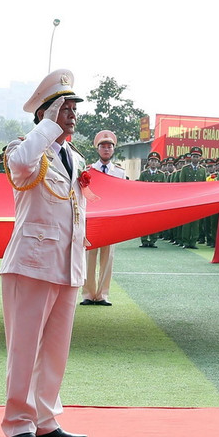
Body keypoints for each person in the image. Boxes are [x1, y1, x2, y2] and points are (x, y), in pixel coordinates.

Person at [0, 69, 88, 437]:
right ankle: (18, 422)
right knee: (25, 348)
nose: (72, 114)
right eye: (63, 107)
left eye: (73, 107)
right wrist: (48, 127)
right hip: (31, 262)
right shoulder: (26, 147)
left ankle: (45, 419)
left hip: (67, 262)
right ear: (45, 113)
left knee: (55, 348)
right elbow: (20, 164)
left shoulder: (74, 157)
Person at [81, 130, 124, 306]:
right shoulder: (89, 170)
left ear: (113, 150)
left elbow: (122, 195)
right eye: (103, 147)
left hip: (111, 218)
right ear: (98, 150)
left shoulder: (119, 172)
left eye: (109, 147)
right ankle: (88, 294)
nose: (106, 149)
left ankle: (103, 294)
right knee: (89, 256)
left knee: (108, 257)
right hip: (93, 217)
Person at [178, 147, 207, 248]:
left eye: (197, 157)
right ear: (191, 157)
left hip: (197, 199)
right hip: (187, 198)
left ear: (200, 158)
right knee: (187, 220)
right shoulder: (185, 169)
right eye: (194, 156)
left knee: (196, 222)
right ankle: (185, 241)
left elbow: (204, 185)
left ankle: (193, 241)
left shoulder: (202, 170)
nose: (195, 158)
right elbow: (182, 184)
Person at [137, 151, 165, 247]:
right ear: (148, 162)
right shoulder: (144, 174)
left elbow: (163, 189)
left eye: (155, 161)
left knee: (155, 221)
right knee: (144, 221)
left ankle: (153, 240)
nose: (153, 162)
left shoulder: (161, 175)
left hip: (156, 202)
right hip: (145, 201)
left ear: (158, 163)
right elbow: (139, 188)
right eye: (152, 160)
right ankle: (144, 240)